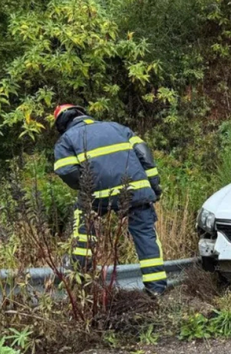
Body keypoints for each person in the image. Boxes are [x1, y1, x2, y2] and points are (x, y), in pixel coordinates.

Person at [52, 104, 167, 296]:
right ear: (82, 114)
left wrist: (88, 189)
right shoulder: (117, 127)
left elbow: (67, 170)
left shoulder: (66, 139)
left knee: (84, 227)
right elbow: (144, 154)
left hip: (96, 194)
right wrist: (153, 186)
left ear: (62, 124)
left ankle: (82, 281)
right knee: (145, 236)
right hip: (136, 189)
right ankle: (156, 290)